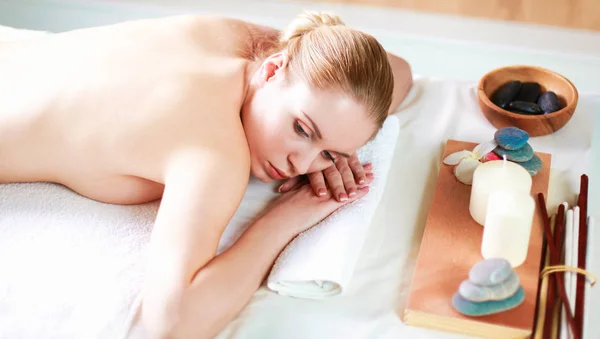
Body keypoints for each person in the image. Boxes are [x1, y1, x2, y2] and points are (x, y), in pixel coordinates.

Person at [0, 11, 412, 338]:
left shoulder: (249, 43)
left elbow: (398, 70)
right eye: (302, 130)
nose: (301, 166)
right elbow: (174, 321)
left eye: (329, 155)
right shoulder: (216, 154)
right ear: (272, 72)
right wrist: (292, 212)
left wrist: (332, 140)